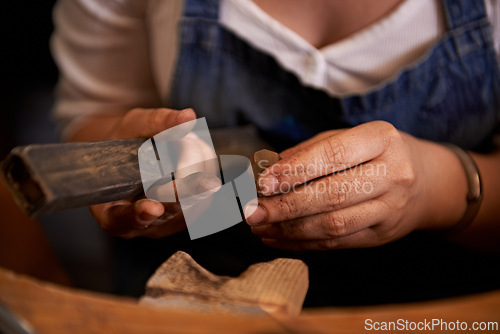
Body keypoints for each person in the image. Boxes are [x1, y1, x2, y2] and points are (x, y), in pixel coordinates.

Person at [51, 0, 500, 305]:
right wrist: (118, 155)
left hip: (432, 304)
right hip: (190, 296)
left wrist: (436, 184)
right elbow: (94, 112)